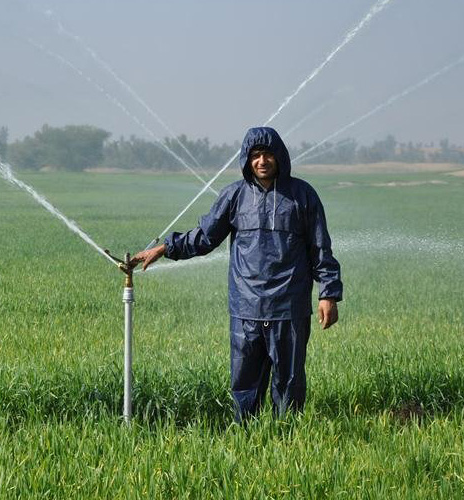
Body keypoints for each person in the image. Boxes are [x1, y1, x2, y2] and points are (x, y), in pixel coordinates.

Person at [131, 126, 342, 421]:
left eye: (268, 154)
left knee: (290, 381)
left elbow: (320, 247)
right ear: (247, 160)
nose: (262, 161)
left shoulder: (302, 196)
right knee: (245, 384)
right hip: (246, 308)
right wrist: (166, 248)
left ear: (279, 156)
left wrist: (328, 294)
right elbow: (205, 237)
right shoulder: (234, 196)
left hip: (289, 306)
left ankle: (289, 438)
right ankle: (246, 438)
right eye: (255, 155)